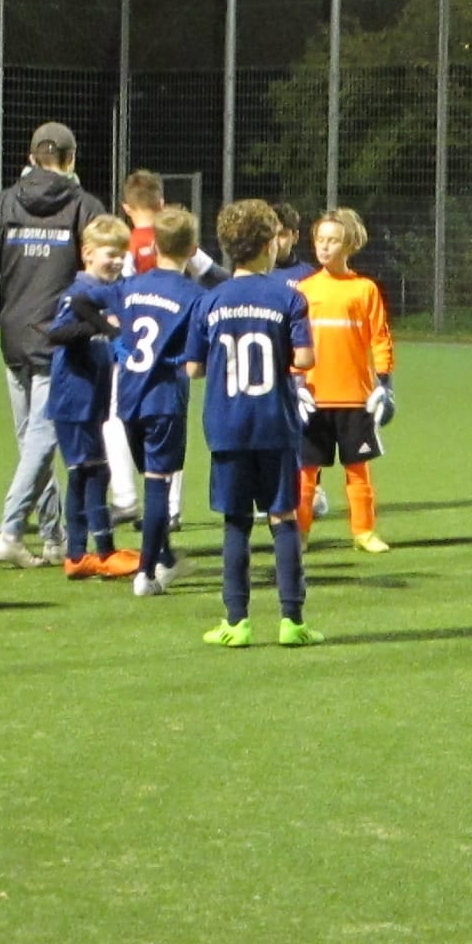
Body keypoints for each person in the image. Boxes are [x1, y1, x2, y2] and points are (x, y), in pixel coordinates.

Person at [0, 121, 107, 569]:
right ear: (71, 159)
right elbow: (100, 273)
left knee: (32, 444)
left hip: (15, 337)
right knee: (42, 441)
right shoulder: (84, 205)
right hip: (59, 340)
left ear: (30, 158)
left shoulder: (7, 202)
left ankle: (53, 536)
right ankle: (10, 530)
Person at [183, 198, 321, 648]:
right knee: (283, 517)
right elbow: (305, 359)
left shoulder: (209, 301)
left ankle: (236, 622)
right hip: (275, 423)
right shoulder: (289, 297)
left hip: (226, 425)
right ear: (268, 245)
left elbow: (193, 368)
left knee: (236, 520)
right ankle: (292, 620)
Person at [110, 205, 203, 596]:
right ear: (193, 249)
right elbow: (196, 363)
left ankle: (164, 556)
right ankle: (147, 574)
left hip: (128, 395)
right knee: (158, 485)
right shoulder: (194, 295)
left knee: (150, 479)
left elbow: (116, 327)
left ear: (155, 245)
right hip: (164, 398)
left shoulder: (130, 286)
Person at [44, 214, 139, 580]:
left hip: (90, 398)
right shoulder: (79, 292)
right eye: (109, 254)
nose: (116, 261)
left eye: (121, 255)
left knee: (83, 474)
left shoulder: (106, 293)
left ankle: (78, 554)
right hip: (74, 397)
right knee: (94, 472)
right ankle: (101, 552)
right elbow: (57, 333)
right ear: (87, 254)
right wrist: (98, 326)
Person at [294, 208, 395, 553]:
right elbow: (294, 342)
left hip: (355, 397)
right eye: (320, 240)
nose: (324, 247)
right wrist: (295, 384)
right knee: (306, 473)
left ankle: (363, 532)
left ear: (349, 244)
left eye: (333, 240)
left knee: (358, 470)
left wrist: (385, 384)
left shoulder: (365, 289)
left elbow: (380, 339)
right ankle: (299, 534)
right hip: (313, 398)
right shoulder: (304, 290)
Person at [271, 202, 328, 520]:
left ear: (294, 236)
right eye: (271, 234)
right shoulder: (256, 274)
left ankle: (313, 489)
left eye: (282, 234)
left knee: (306, 432)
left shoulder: (309, 276)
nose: (276, 241)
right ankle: (272, 491)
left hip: (301, 369)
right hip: (267, 366)